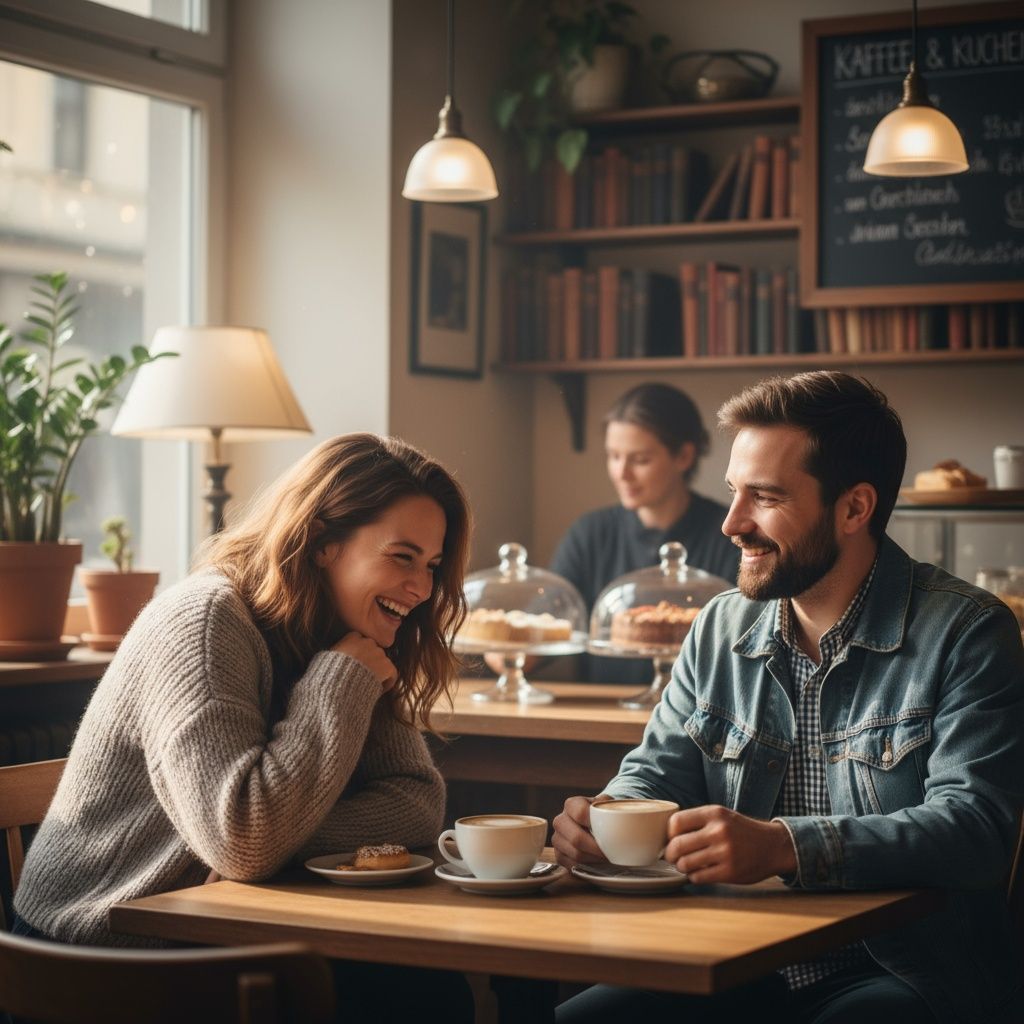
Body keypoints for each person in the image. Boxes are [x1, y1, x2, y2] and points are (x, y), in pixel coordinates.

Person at [553, 371, 1024, 1024]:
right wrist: (608, 817)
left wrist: (784, 847)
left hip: (909, 969)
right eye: (733, 493)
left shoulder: (968, 631)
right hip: (737, 955)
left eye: (765, 497)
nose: (731, 523)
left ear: (855, 508)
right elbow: (660, 771)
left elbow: (975, 831)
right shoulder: (719, 626)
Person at [12, 433, 476, 1022]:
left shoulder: (343, 636)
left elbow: (416, 800)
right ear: (322, 542)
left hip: (212, 932)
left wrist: (282, 838)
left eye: (432, 566)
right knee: (412, 999)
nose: (422, 588)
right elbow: (246, 838)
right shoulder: (204, 622)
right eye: (402, 557)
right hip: (93, 957)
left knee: (428, 991)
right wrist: (336, 682)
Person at [548, 382, 739, 684]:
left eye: (640, 460)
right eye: (613, 456)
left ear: (684, 457)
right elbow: (550, 626)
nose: (622, 474)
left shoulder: (730, 534)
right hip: (604, 714)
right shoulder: (589, 534)